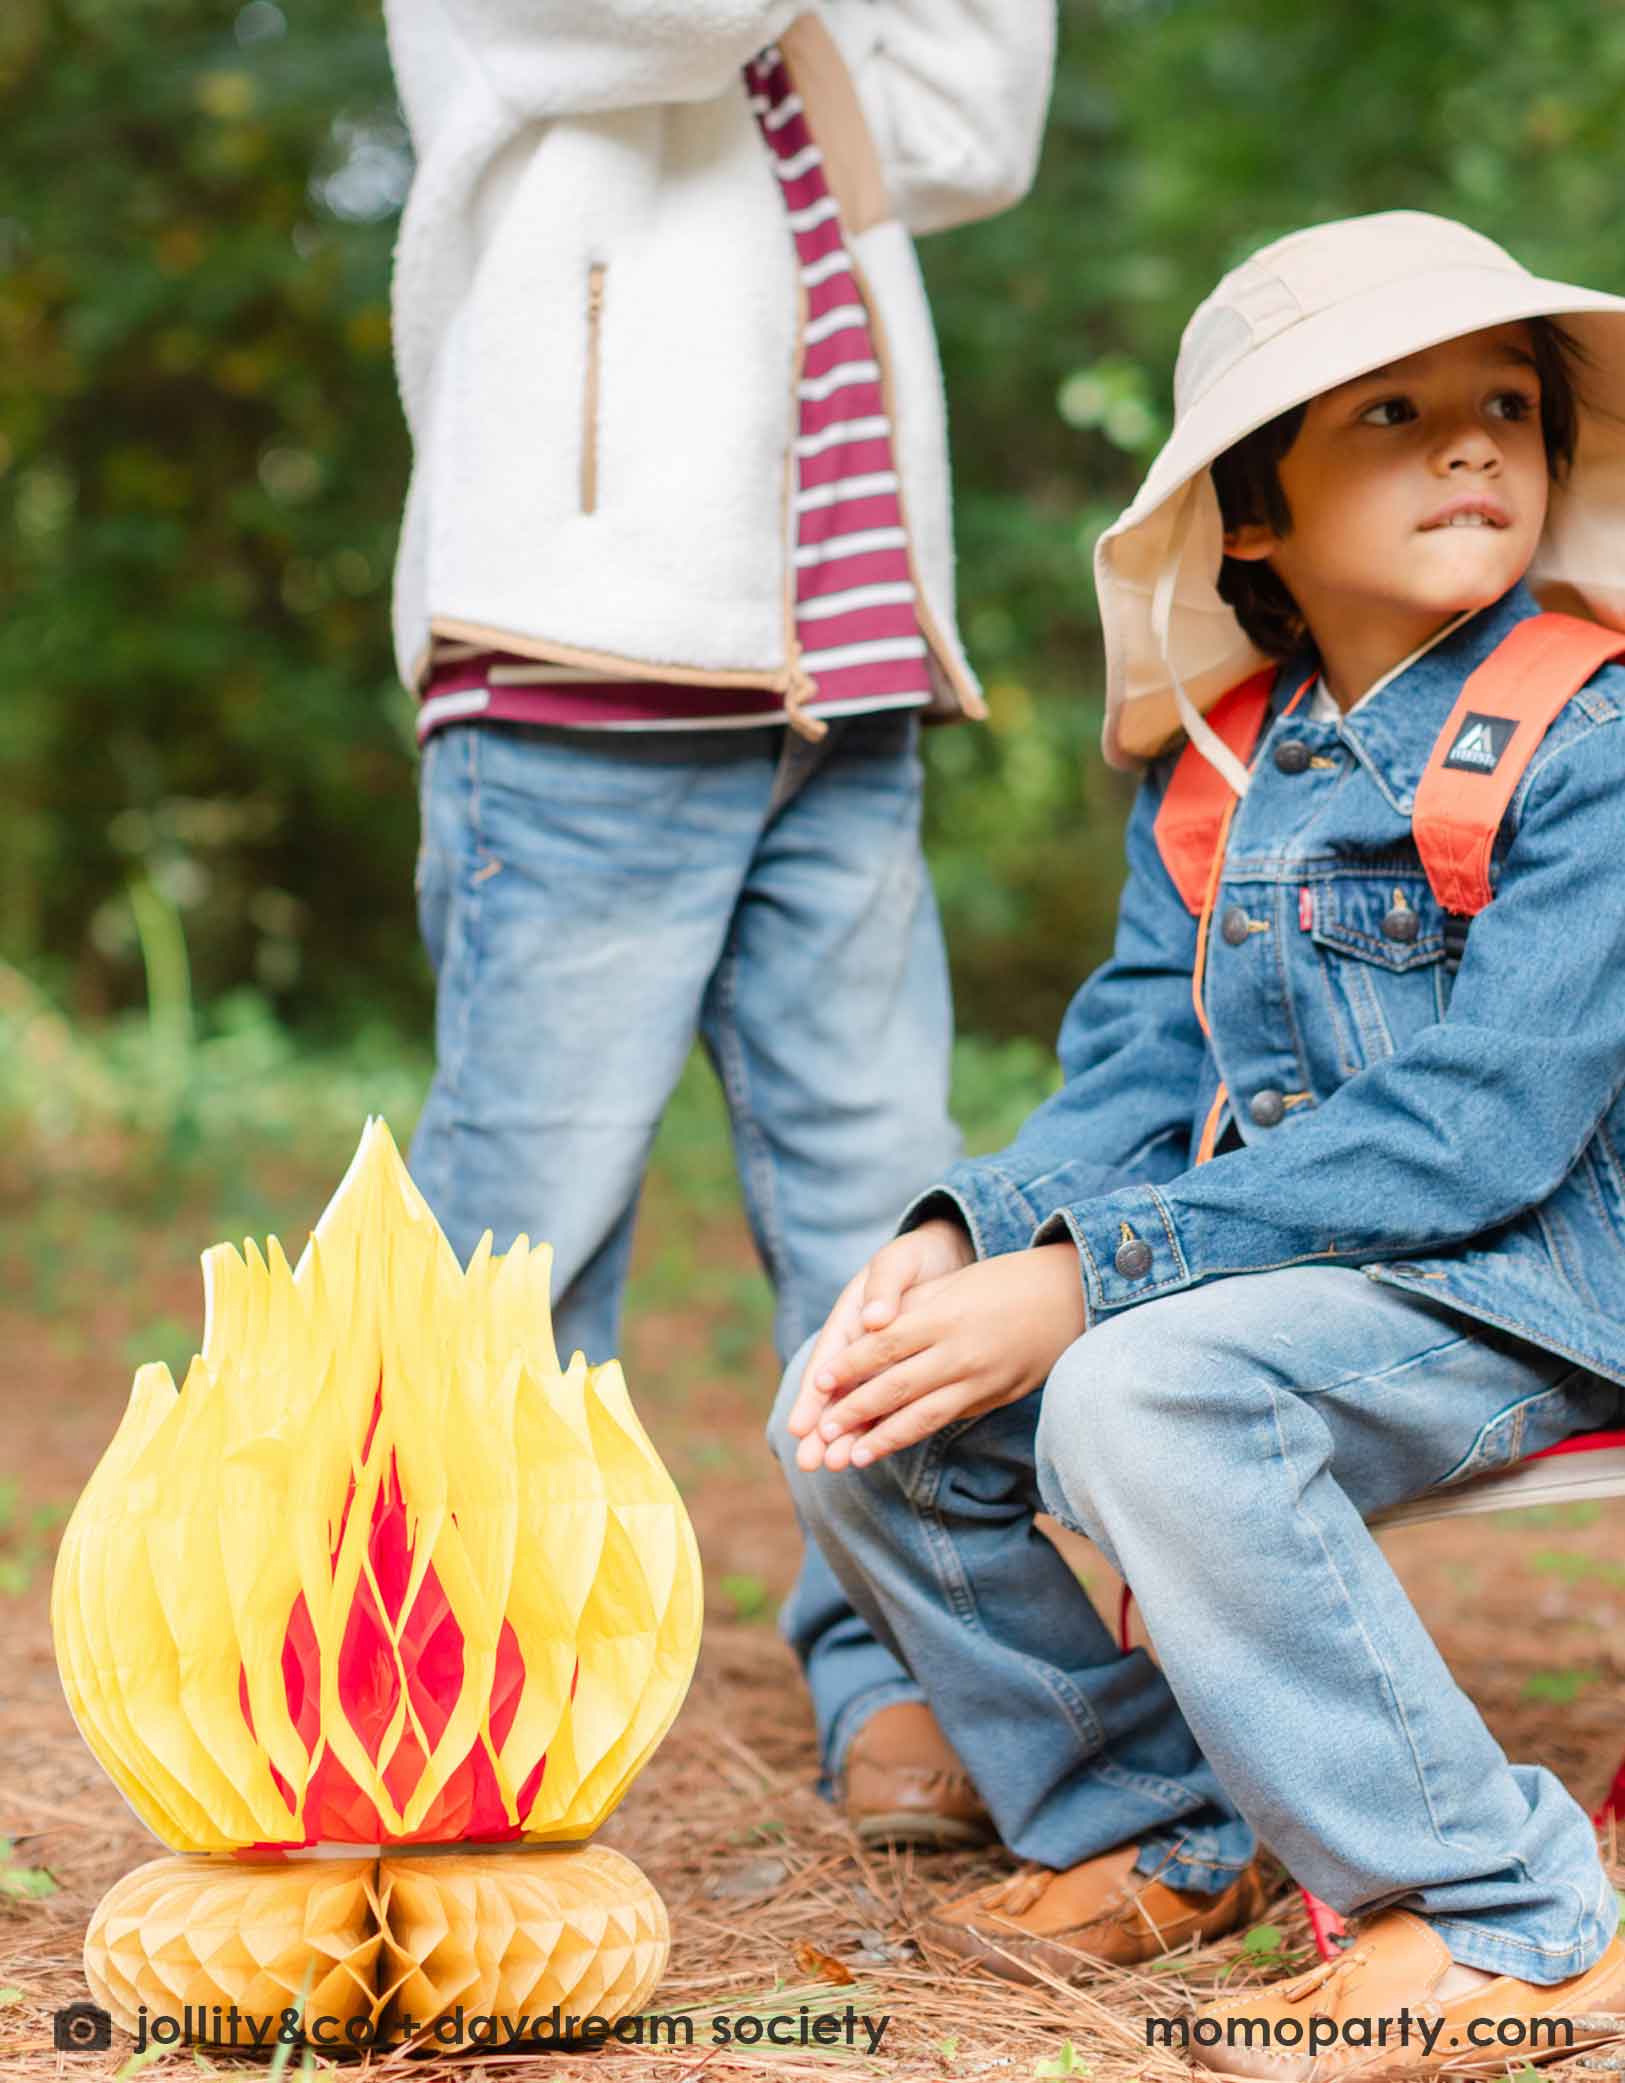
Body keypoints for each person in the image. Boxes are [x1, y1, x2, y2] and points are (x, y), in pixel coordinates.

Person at [770, 211, 1625, 2073]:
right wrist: (967, 1235)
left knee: (1143, 1395)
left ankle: (1499, 1919)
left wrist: (1090, 1279)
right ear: (1251, 515)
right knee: (856, 1396)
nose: (1472, 443)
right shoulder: (1221, 767)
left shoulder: (1592, 733)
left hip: (1557, 1263)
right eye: (1389, 414)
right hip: (1325, 1264)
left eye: (1506, 404)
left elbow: (1490, 1125)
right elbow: (1136, 1073)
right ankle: (1150, 1821)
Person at [380, 0, 1055, 1843]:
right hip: (580, 676)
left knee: (883, 1204)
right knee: (525, 1228)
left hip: (844, 688)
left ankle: (907, 1674)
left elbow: (972, 125)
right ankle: (442, 1705)